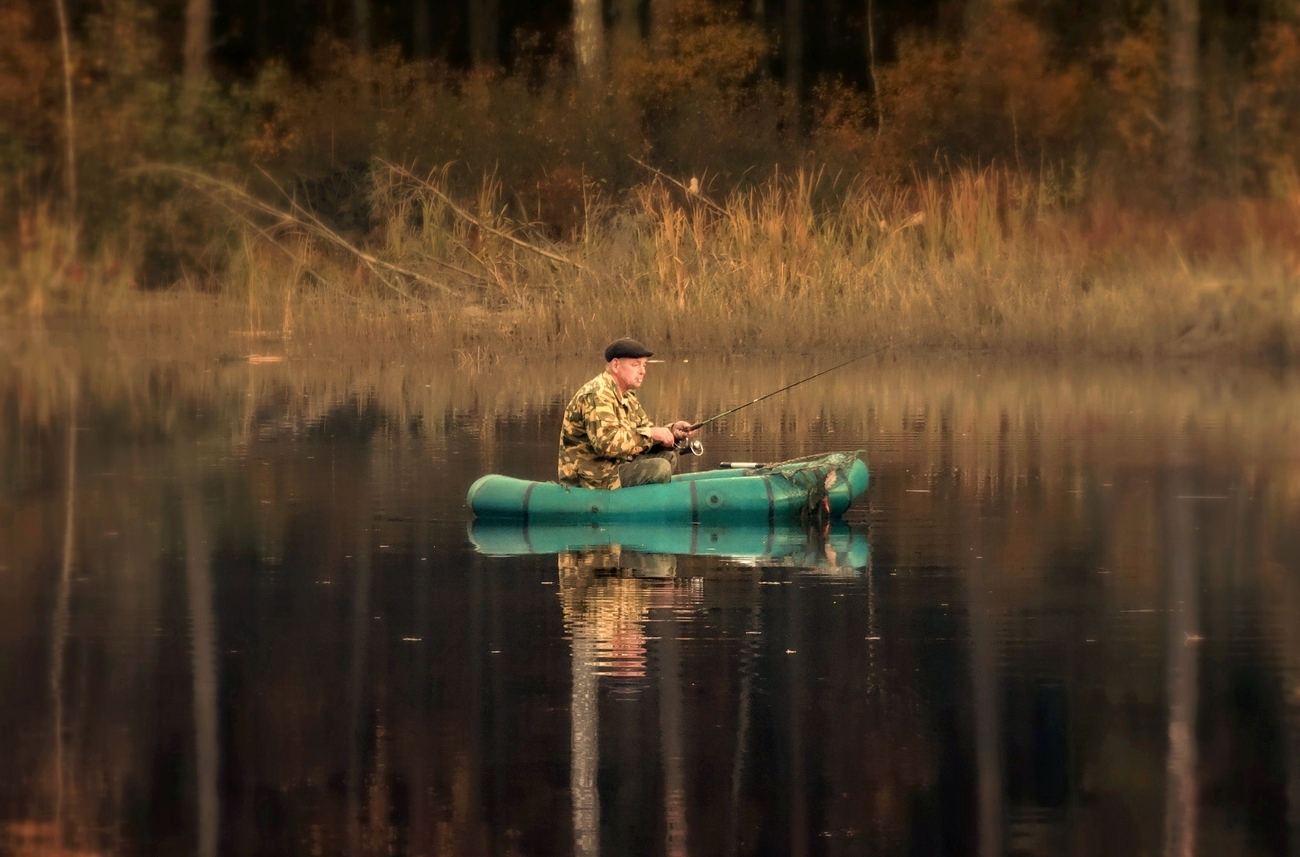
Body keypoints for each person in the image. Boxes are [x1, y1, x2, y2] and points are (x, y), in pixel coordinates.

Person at [558, 338, 695, 489]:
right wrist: (652, 434)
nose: (642, 371)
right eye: (635, 365)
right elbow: (607, 445)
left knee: (668, 457)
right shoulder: (598, 394)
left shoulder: (627, 396)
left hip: (613, 468)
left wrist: (672, 432)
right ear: (616, 365)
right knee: (660, 468)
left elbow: (644, 431)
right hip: (591, 477)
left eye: (644, 365)